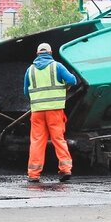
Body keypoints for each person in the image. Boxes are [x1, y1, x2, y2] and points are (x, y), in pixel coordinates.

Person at [24, 42, 78, 183]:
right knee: (58, 139)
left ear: (37, 54)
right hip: (55, 110)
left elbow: (25, 91)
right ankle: (65, 169)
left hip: (37, 112)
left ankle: (33, 174)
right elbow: (72, 80)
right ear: (51, 53)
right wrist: (65, 85)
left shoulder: (30, 70)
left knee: (37, 141)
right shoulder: (57, 66)